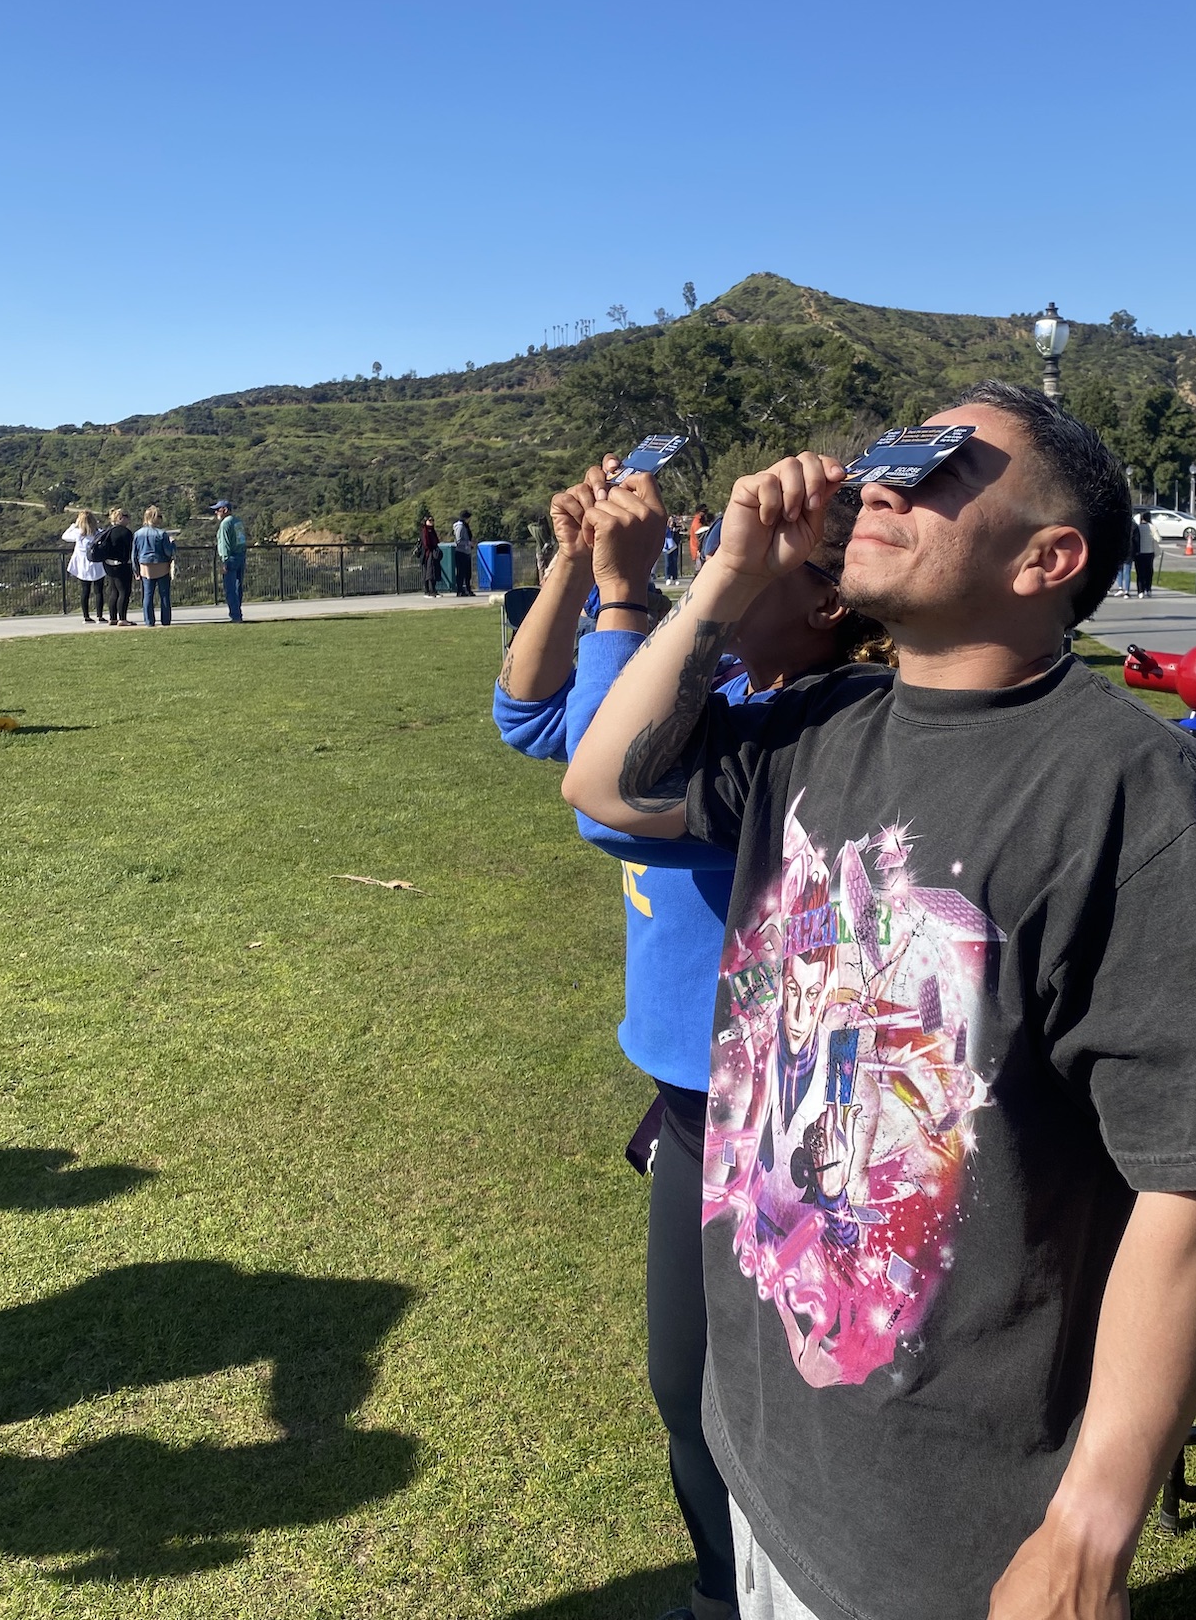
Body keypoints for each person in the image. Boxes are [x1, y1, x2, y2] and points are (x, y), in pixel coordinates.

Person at [564, 382, 1196, 1620]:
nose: (883, 482)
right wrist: (723, 575)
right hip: (769, 1452)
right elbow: (604, 781)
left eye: (941, 466)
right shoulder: (817, 726)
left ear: (1048, 558)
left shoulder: (1129, 796)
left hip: (941, 1525)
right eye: (884, 461)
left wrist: (1086, 1532)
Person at [494, 460, 891, 1620]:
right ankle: (726, 1596)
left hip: (783, 1117)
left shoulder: (802, 721)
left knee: (797, 1404)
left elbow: (599, 799)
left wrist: (630, 598)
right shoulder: (718, 679)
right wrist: (578, 566)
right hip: (687, 1103)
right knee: (687, 1390)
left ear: (826, 598)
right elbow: (530, 716)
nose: (709, 557)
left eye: (745, 544)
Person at [133, 506, 177, 627]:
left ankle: (149, 621)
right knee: (164, 595)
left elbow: (134, 554)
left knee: (147, 595)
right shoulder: (161, 534)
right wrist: (172, 544)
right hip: (161, 565)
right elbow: (168, 552)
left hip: (145, 567)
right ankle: (165, 620)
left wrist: (135, 570)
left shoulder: (138, 534)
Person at [61, 509, 108, 624]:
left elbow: (65, 536)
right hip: (97, 565)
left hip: (83, 566)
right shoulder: (99, 533)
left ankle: (86, 616)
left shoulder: (78, 533)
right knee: (99, 591)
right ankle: (100, 616)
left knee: (85, 591)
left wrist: (74, 525)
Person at [94, 508, 136, 626]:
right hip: (122, 565)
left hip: (108, 564)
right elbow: (130, 549)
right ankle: (122, 618)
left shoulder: (108, 532)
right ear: (120, 518)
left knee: (113, 591)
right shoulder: (125, 532)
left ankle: (113, 618)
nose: (129, 519)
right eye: (127, 516)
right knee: (124, 591)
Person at [212, 500, 247, 620]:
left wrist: (224, 561)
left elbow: (225, 544)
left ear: (225, 510)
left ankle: (235, 615)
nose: (216, 512)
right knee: (238, 587)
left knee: (230, 588)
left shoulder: (225, 524)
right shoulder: (238, 521)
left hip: (230, 558)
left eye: (218, 509)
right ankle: (238, 612)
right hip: (240, 556)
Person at [1132, 508, 1158, 596]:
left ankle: (1140, 591)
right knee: (1149, 572)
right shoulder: (1152, 527)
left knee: (1140, 572)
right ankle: (1148, 589)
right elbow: (1158, 538)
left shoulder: (1138, 527)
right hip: (1149, 552)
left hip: (1139, 552)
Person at [451, 510, 474, 597]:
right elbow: (458, 540)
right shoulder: (460, 527)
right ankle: (460, 590)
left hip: (467, 551)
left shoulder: (466, 526)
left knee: (468, 572)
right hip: (461, 552)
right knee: (461, 572)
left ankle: (468, 589)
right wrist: (468, 543)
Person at [419, 513, 442, 596]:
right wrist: (431, 549)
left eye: (433, 520)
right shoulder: (424, 530)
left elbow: (436, 541)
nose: (432, 522)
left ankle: (433, 590)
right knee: (429, 573)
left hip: (433, 553)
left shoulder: (432, 530)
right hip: (427, 554)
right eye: (430, 520)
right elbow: (426, 543)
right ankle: (428, 590)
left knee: (433, 572)